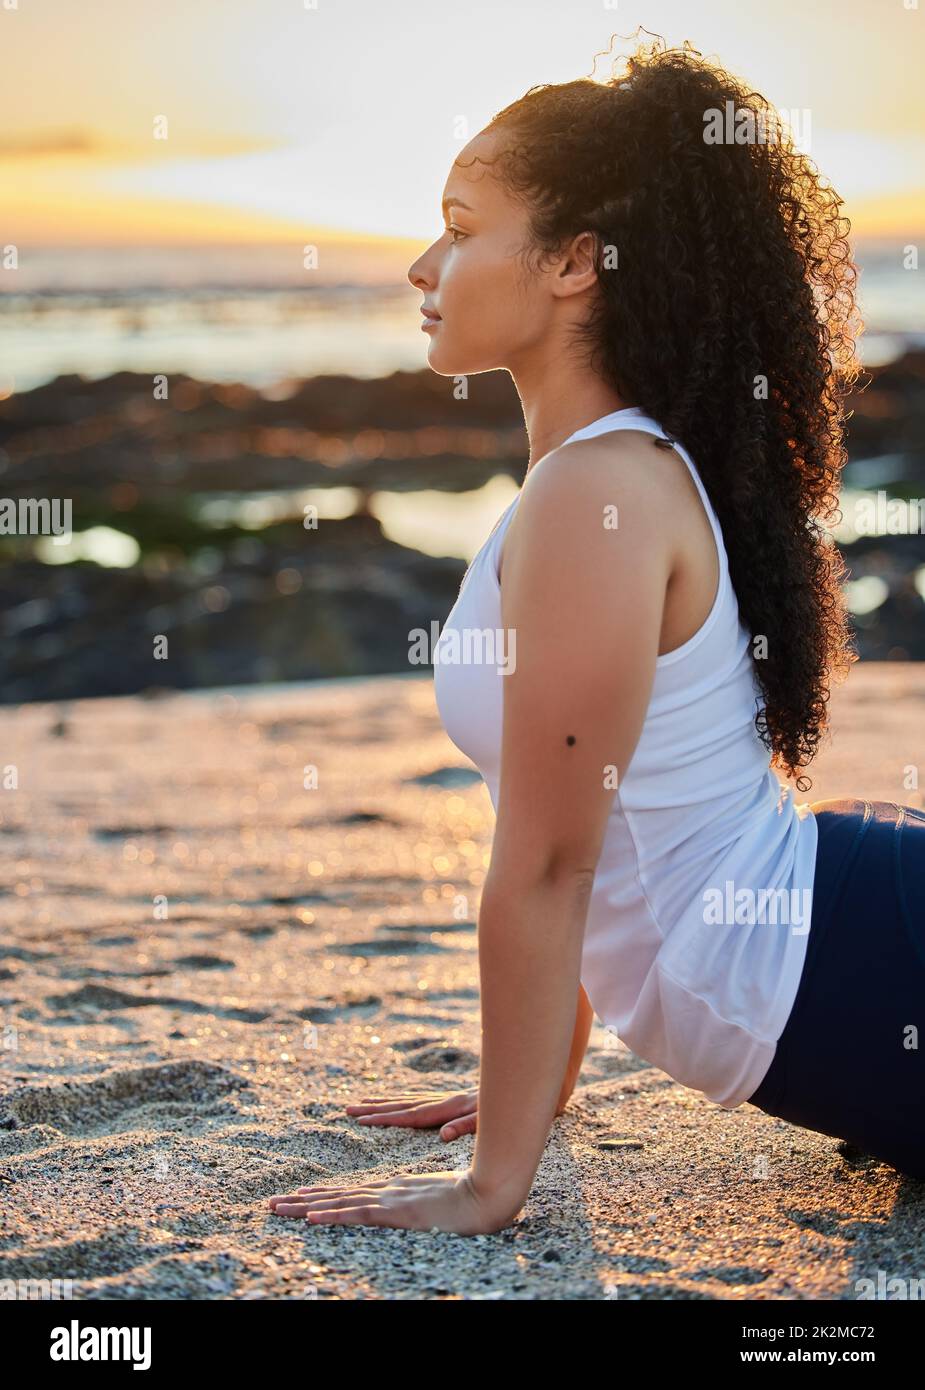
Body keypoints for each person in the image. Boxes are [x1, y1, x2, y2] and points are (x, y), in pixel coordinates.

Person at [268, 38, 925, 1235]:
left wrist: (491, 1187)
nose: (425, 264)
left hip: (864, 963)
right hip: (846, 954)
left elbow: (554, 864)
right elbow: (571, 826)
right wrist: (525, 1094)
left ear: (577, 262)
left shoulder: (595, 496)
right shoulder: (594, 480)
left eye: (461, 228)